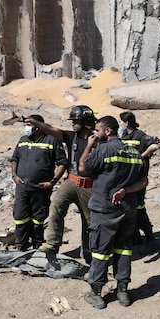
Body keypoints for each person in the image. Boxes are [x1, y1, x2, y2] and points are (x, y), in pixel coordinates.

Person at [79, 116, 148, 309]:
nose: (95, 134)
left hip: (105, 209)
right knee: (124, 249)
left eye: (97, 131)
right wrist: (126, 191)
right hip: (128, 209)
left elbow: (82, 168)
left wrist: (89, 145)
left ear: (108, 131)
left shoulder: (103, 149)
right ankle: (123, 291)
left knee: (100, 251)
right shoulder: (134, 152)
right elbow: (143, 182)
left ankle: (96, 293)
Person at [25, 105, 97, 263]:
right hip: (71, 181)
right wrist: (35, 122)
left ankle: (89, 254)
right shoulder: (72, 137)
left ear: (85, 122)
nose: (72, 124)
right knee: (56, 205)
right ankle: (52, 244)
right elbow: (51, 129)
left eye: (75, 121)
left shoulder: (97, 141)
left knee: (89, 222)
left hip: (90, 186)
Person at [10, 115, 68, 251]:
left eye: (29, 125)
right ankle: (21, 247)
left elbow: (62, 163)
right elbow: (14, 159)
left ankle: (37, 246)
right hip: (22, 187)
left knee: (38, 218)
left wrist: (52, 182)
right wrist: (14, 176)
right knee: (20, 217)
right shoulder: (23, 140)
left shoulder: (51, 141)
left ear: (38, 126)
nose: (27, 128)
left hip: (41, 188)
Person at [119, 111, 160, 254]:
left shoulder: (140, 135)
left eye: (121, 122)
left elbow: (154, 146)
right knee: (129, 208)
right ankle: (135, 237)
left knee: (139, 208)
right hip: (126, 178)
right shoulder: (123, 136)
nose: (120, 125)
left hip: (138, 179)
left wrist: (141, 157)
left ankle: (150, 239)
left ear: (127, 123)